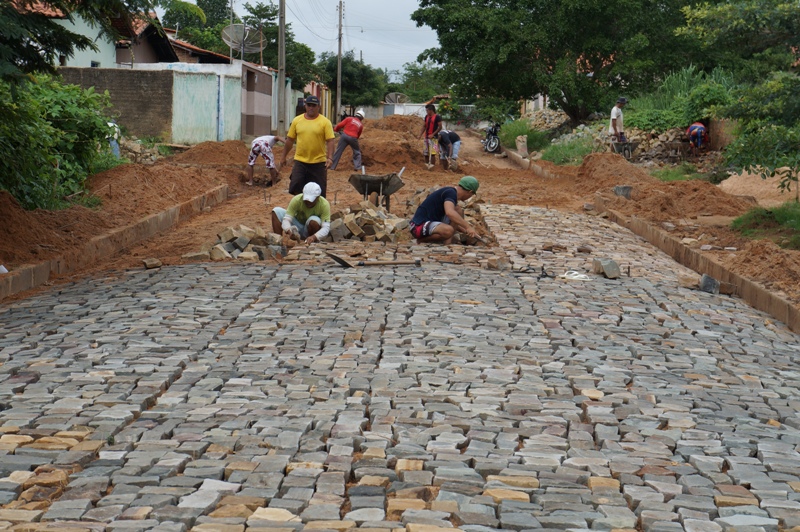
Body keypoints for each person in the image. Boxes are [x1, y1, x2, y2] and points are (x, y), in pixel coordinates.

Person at [280, 95, 336, 198]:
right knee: (296, 187)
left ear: (318, 107)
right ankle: (301, 208)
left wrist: (330, 158)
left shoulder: (325, 122)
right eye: (309, 105)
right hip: (300, 161)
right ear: (305, 106)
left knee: (319, 192)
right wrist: (283, 156)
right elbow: (290, 140)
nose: (311, 108)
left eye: (314, 105)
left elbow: (330, 141)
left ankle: (317, 212)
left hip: (318, 163)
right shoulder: (297, 121)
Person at [409, 176, 480, 244]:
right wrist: (468, 227)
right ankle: (420, 241)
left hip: (429, 223)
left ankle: (447, 244)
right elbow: (449, 213)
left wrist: (466, 231)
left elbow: (454, 222)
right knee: (448, 230)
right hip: (417, 227)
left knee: (457, 210)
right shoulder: (451, 193)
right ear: (469, 192)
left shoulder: (451, 192)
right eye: (472, 195)